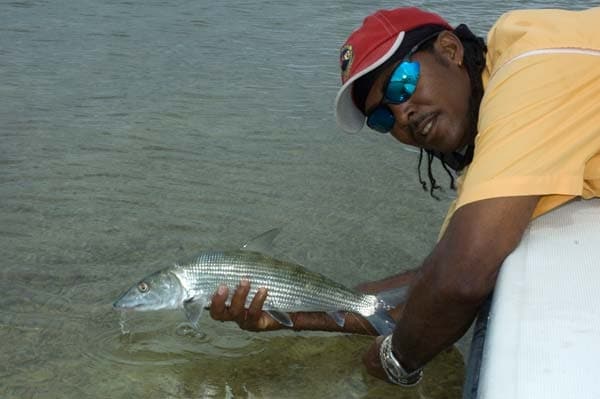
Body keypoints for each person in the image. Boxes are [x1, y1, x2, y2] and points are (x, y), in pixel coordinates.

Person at [209, 6, 600, 386]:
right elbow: (426, 287)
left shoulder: (533, 67)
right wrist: (286, 315)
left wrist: (394, 362)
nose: (402, 115)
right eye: (381, 118)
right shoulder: (497, 145)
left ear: (450, 50)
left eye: (402, 83)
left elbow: (462, 277)